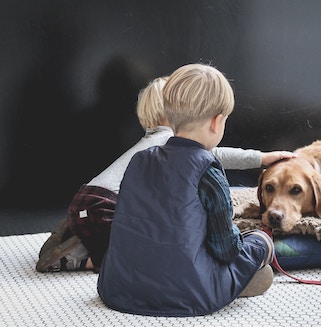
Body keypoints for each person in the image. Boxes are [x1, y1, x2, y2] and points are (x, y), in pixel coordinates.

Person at [36, 75, 295, 274]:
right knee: (129, 256)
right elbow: (216, 154)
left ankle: (76, 234)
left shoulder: (152, 142)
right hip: (104, 205)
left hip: (89, 200)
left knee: (126, 237)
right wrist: (260, 158)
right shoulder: (169, 142)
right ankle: (76, 259)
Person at [97, 63, 276, 317]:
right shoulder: (208, 171)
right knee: (260, 242)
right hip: (188, 292)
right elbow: (225, 249)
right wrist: (257, 241)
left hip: (119, 287)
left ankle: (227, 281)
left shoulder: (139, 160)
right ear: (217, 123)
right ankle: (237, 278)